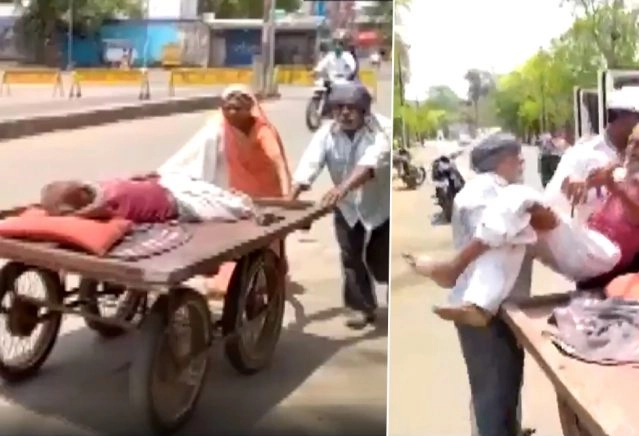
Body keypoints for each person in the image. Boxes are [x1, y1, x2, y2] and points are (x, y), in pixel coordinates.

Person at [407, 120, 639, 327]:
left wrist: (614, 187)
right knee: (519, 225)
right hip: (584, 240)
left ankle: (455, 267)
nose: (630, 148)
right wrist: (578, 183)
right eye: (630, 141)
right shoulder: (617, 172)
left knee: (521, 196)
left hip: (605, 254)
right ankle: (479, 304)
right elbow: (585, 182)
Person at [404, 133, 534, 436]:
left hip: (498, 305)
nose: (522, 163)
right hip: (487, 310)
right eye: (518, 158)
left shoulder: (487, 190)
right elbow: (493, 239)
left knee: (504, 382)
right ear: (503, 161)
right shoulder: (485, 195)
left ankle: (507, 429)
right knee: (493, 387)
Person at [158, 84, 292, 296]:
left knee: (272, 236)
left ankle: (273, 272)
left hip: (269, 188)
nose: (232, 113)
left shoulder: (262, 130)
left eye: (238, 109)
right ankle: (251, 275)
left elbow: (278, 162)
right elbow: (194, 151)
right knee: (245, 234)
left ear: (250, 109)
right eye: (227, 108)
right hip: (243, 188)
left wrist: (287, 195)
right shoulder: (219, 126)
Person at [288, 82, 390, 329]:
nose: (344, 113)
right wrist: (289, 201)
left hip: (380, 205)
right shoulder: (326, 133)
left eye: (351, 108)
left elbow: (370, 164)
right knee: (350, 257)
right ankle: (361, 308)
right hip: (345, 207)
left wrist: (342, 188)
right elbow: (309, 166)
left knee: (380, 263)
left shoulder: (383, 130)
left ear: (364, 110)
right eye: (338, 107)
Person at [547, 86, 639, 290]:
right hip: (596, 260)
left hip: (637, 264)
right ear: (621, 117)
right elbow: (553, 200)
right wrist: (575, 185)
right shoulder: (582, 155)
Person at [39, 174, 254, 223]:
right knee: (224, 204)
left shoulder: (104, 198)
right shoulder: (104, 198)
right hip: (174, 200)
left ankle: (236, 200)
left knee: (215, 196)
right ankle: (238, 201)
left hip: (169, 191)